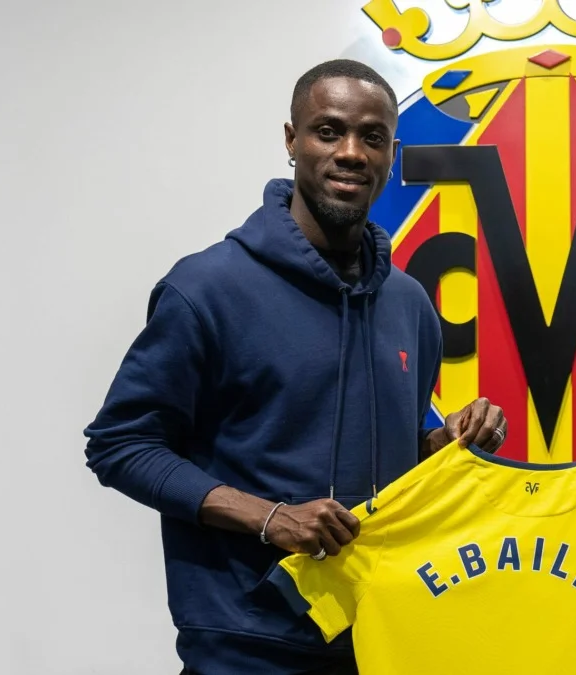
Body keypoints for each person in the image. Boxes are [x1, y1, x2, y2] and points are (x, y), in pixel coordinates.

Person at [83, 59, 507, 675]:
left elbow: (379, 464)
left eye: (372, 137)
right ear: (290, 140)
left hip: (383, 637)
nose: (352, 153)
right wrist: (269, 518)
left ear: (392, 153)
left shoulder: (410, 305)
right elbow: (121, 446)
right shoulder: (208, 288)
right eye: (328, 131)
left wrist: (441, 445)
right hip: (245, 647)